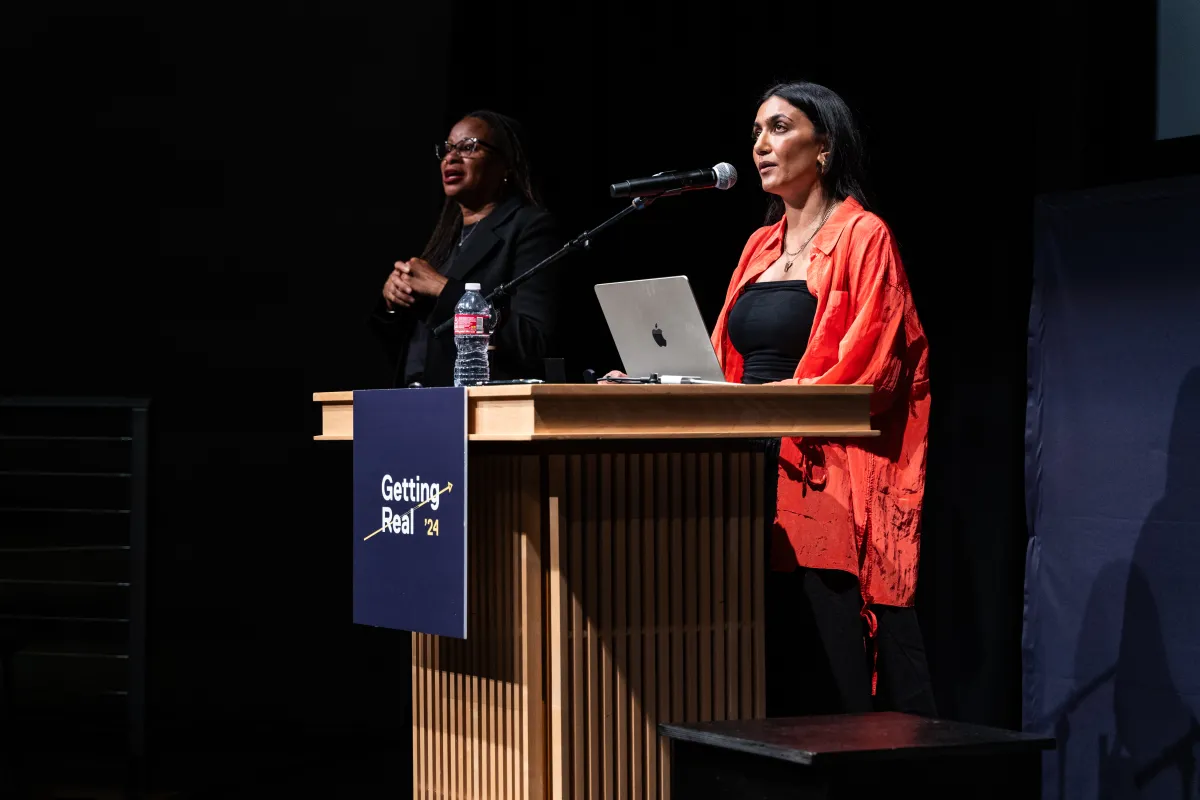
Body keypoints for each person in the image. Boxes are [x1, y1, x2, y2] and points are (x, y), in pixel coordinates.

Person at [606, 81, 935, 715]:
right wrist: (662, 383)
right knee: (762, 655)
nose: (761, 145)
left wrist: (789, 397)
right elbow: (724, 365)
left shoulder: (865, 236)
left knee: (828, 654)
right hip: (746, 460)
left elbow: (874, 365)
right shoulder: (758, 246)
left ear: (827, 147)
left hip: (825, 469)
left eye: (779, 128)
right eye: (756, 131)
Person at [370, 110, 560, 387]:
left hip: (478, 408)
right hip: (415, 399)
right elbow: (416, 342)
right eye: (448, 148)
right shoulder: (444, 236)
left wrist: (442, 289)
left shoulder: (530, 229)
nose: (451, 157)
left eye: (468, 147)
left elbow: (531, 338)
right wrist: (393, 302)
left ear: (506, 164)